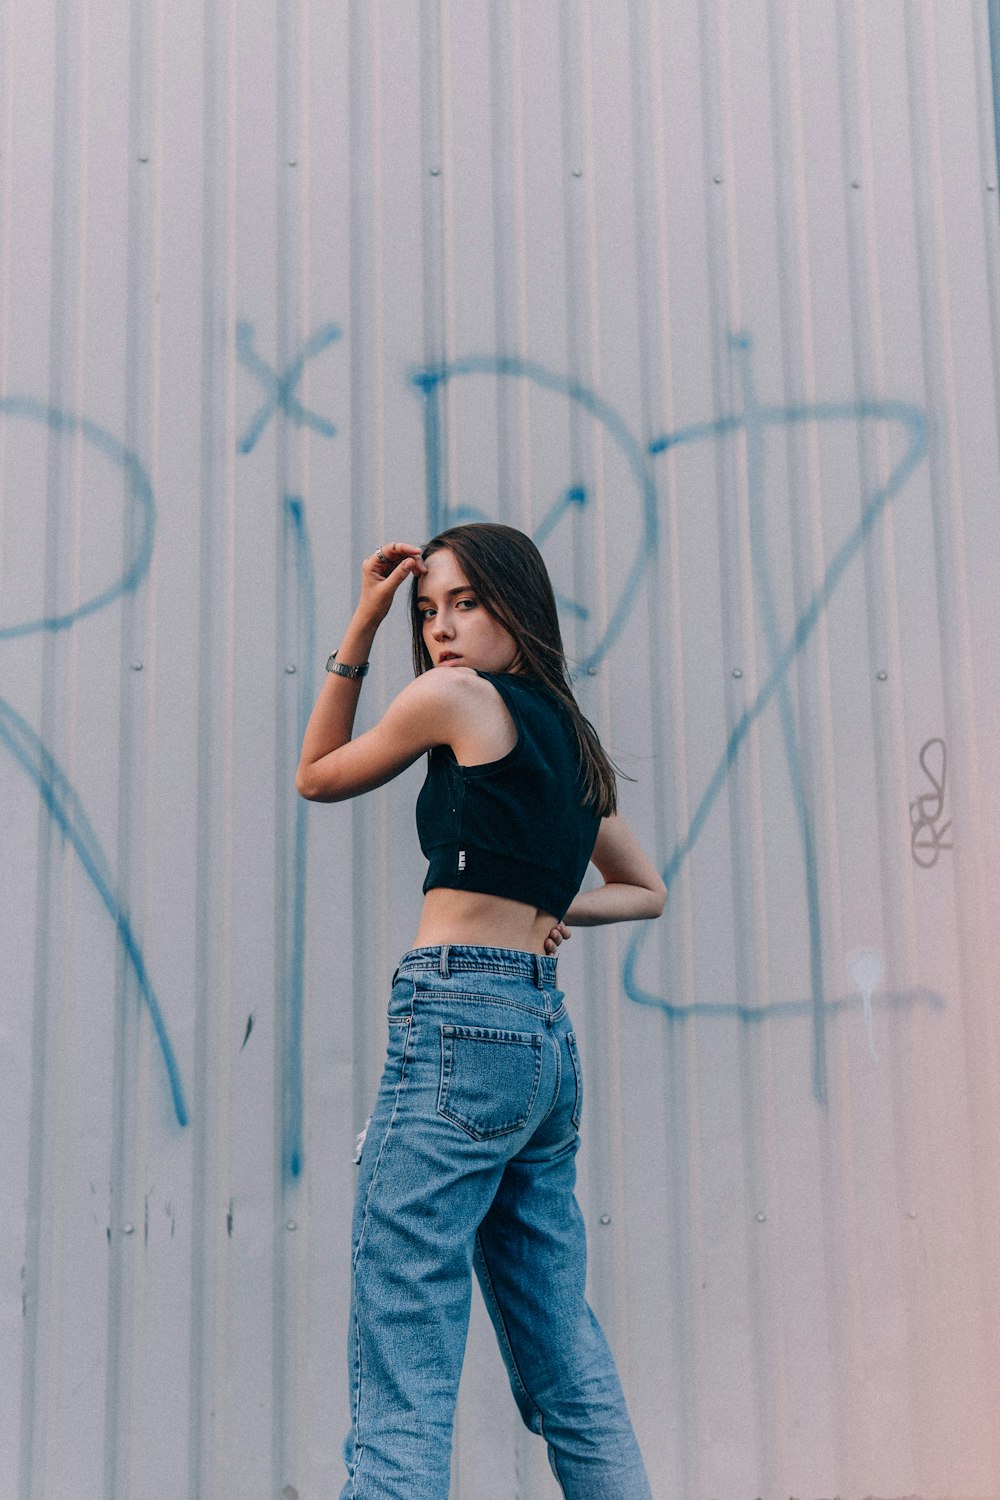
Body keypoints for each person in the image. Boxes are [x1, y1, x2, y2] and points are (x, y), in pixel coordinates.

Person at [296, 523, 665, 1500]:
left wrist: (363, 626)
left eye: (464, 603)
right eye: (426, 611)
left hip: (455, 1021)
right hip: (541, 1045)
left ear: (517, 607)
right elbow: (643, 888)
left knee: (403, 1365)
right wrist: (549, 910)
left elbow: (317, 773)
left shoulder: (453, 697)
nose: (442, 629)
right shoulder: (571, 739)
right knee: (561, 1354)